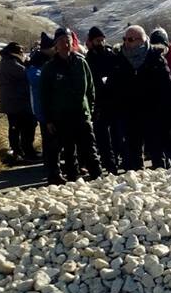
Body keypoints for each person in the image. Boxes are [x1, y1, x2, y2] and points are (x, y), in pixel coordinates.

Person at [40, 27, 103, 183]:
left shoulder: (81, 62)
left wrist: (91, 109)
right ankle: (72, 178)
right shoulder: (49, 68)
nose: (65, 44)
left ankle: (98, 176)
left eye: (67, 40)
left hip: (82, 114)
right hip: (61, 116)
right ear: (56, 44)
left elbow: (90, 89)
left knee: (90, 148)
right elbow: (44, 95)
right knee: (68, 150)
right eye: (61, 41)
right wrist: (48, 119)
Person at [107, 25, 171, 170]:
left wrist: (164, 111)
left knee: (157, 154)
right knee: (133, 157)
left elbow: (167, 87)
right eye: (124, 39)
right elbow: (112, 88)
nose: (126, 42)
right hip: (129, 116)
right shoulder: (119, 60)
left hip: (153, 114)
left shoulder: (156, 58)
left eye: (130, 39)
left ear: (142, 40)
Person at [0, 41, 40, 162]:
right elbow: (25, 74)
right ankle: (20, 152)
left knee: (21, 127)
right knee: (20, 128)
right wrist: (29, 63)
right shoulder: (9, 63)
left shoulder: (8, 61)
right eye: (21, 52)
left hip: (15, 101)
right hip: (15, 102)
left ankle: (23, 150)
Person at [86, 26, 119, 172]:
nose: (100, 43)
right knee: (103, 138)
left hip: (113, 100)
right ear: (91, 41)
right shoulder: (88, 59)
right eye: (97, 40)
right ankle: (109, 164)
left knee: (117, 134)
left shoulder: (111, 56)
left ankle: (118, 160)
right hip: (98, 103)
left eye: (102, 40)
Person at [27, 32, 58, 179]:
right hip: (42, 107)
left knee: (53, 138)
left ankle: (52, 164)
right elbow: (37, 81)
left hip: (51, 106)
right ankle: (50, 165)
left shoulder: (47, 61)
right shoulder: (36, 63)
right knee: (49, 138)